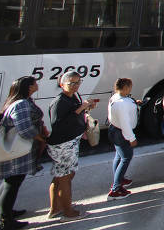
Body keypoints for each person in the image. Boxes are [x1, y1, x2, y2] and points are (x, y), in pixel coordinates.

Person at [0, 76, 46, 229]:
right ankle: (4, 220)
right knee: (12, 182)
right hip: (17, 151)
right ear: (29, 87)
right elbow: (25, 129)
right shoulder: (22, 104)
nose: (37, 85)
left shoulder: (20, 101)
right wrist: (42, 138)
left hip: (16, 150)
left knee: (10, 181)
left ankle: (6, 211)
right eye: (35, 83)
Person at [47, 71, 97, 220]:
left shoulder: (71, 97)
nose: (75, 86)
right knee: (65, 178)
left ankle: (55, 209)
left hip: (70, 143)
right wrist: (81, 108)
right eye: (71, 83)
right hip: (63, 145)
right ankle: (68, 212)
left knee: (60, 177)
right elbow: (57, 124)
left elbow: (74, 115)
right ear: (62, 84)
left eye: (78, 82)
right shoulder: (59, 101)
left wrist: (86, 108)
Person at [107, 78, 139, 201]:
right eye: (130, 87)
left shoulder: (115, 98)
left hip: (114, 130)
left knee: (119, 156)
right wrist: (132, 138)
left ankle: (119, 179)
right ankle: (115, 189)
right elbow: (125, 123)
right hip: (122, 133)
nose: (131, 89)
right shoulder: (122, 104)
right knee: (126, 158)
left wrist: (134, 103)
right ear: (125, 87)